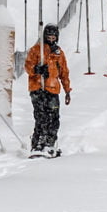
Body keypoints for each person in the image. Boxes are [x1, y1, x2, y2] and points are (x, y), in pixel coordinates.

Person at [24, 24, 72, 157]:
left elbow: (64, 73)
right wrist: (37, 69)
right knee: (41, 116)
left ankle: (50, 142)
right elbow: (28, 66)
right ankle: (38, 143)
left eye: (53, 37)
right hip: (38, 88)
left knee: (53, 117)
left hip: (53, 88)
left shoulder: (59, 53)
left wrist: (67, 90)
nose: (51, 39)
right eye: (49, 37)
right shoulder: (36, 50)